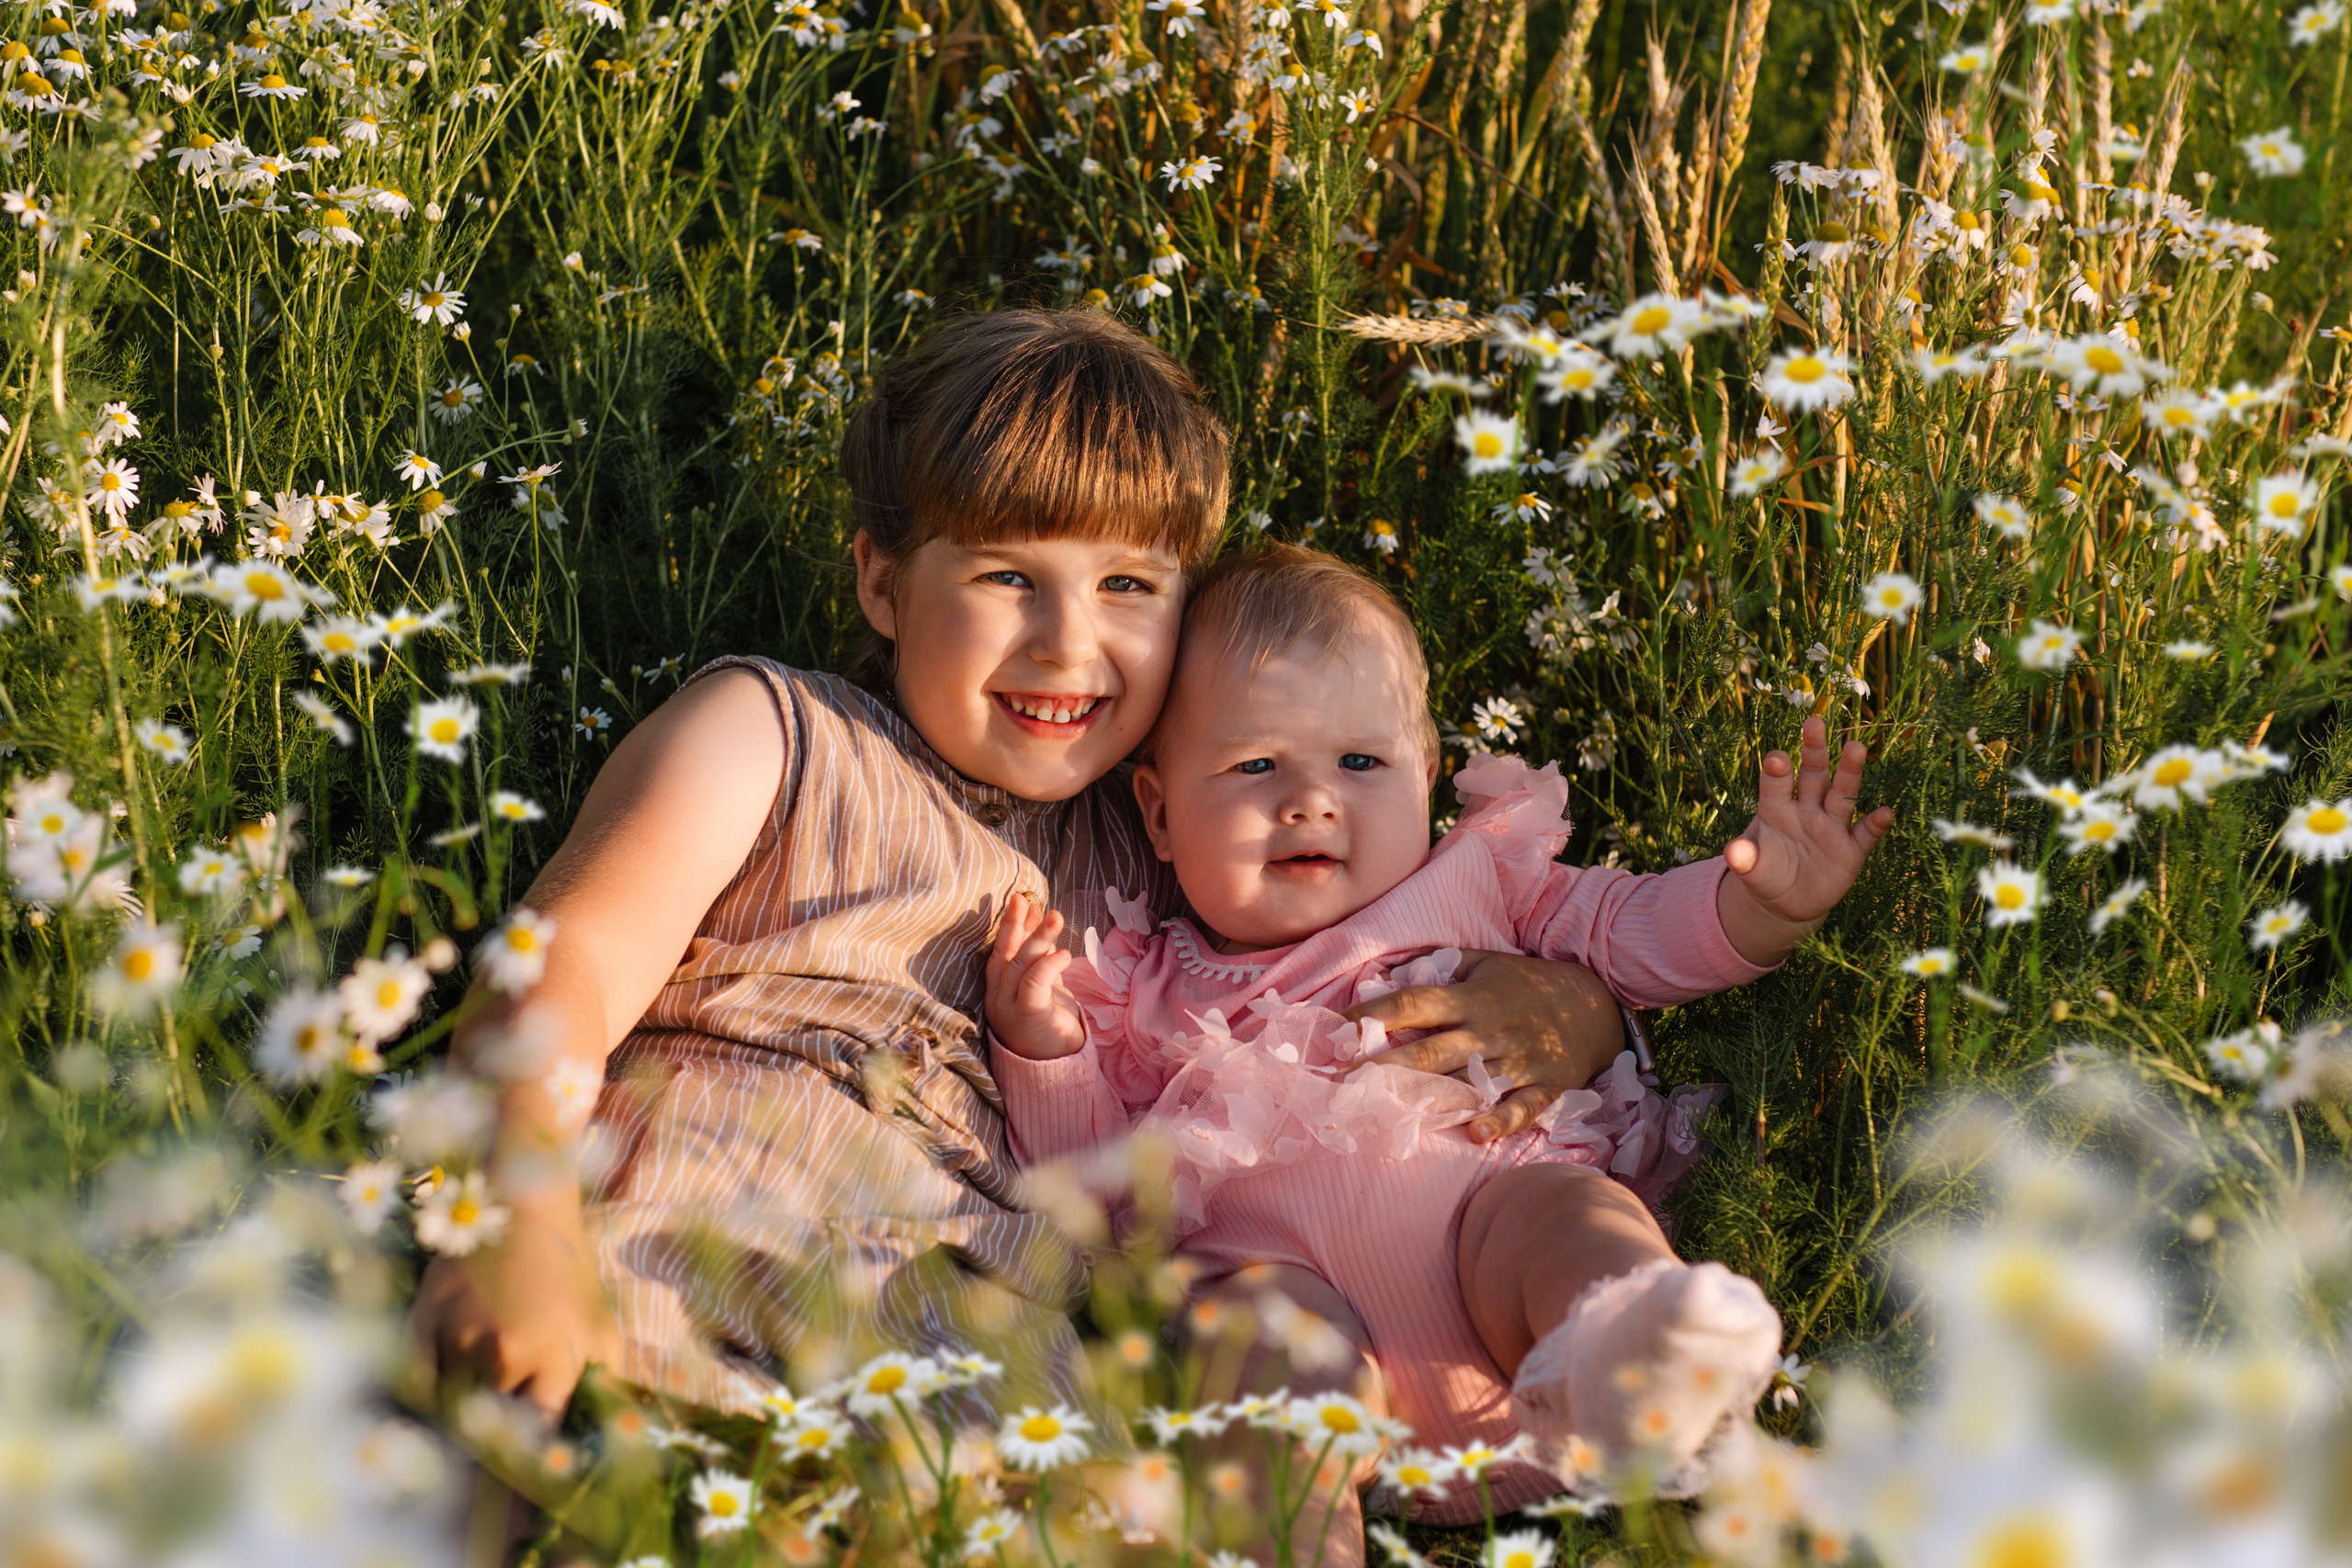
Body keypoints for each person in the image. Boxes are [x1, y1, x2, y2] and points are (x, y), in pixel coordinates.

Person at [406, 311, 1638, 1426]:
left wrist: (1577, 1002)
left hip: (988, 1347)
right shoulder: (775, 733)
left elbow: (1360, 968)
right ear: (884, 580)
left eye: (1126, 585)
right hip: (697, 1241)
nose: (1068, 641)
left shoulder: (1185, 846)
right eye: (1008, 575)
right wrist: (514, 1219)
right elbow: (564, 967)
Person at [986, 547, 1893, 1525]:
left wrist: (1760, 910)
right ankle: (1289, 1538)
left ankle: (1634, 1357)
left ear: (1425, 776)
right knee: (1257, 1343)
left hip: (1516, 1299)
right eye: (1254, 765)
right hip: (1311, 1342)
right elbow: (1090, 1183)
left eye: (1360, 763)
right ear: (1159, 817)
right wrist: (1042, 1048)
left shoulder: (1475, 884)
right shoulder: (1141, 987)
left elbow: (1630, 937)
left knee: (1560, 1212)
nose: (1310, 798)